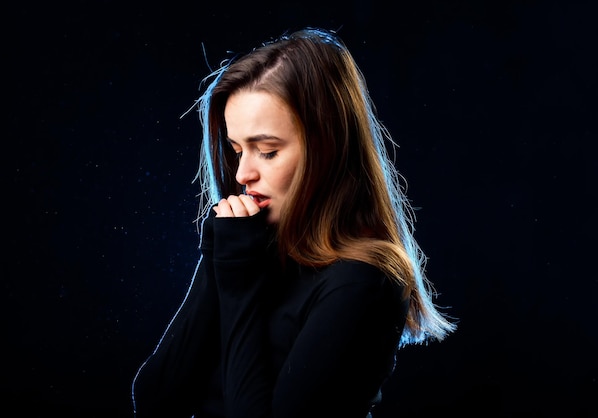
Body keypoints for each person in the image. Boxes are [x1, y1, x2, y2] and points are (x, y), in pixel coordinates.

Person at [131, 27, 456, 418]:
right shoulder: (252, 246)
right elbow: (155, 400)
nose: (242, 174)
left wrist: (236, 279)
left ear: (327, 150)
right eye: (236, 151)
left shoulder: (363, 280)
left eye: (267, 152)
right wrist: (219, 253)